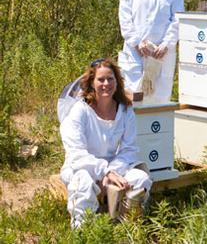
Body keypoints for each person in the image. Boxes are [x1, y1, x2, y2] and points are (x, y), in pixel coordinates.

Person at [59, 58, 152, 228]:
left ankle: (127, 228)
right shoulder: (80, 111)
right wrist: (104, 172)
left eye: (110, 79)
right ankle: (83, 231)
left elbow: (129, 149)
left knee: (140, 179)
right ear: (92, 83)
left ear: (117, 82)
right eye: (101, 79)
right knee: (83, 184)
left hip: (115, 167)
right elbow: (76, 153)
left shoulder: (125, 110)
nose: (106, 84)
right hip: (82, 167)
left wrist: (112, 172)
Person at [118, 0, 184, 103]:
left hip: (161, 56)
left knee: (157, 105)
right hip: (135, 53)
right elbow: (125, 17)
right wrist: (137, 43)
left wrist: (166, 45)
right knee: (132, 101)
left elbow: (177, 19)